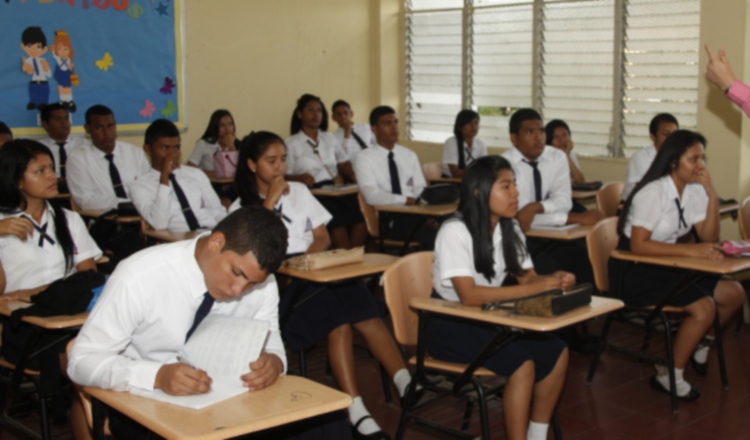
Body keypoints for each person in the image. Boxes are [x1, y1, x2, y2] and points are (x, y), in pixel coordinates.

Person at [68, 207, 348, 439]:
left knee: (327, 422)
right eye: (236, 272)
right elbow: (81, 361)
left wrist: (274, 362)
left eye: (251, 283)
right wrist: (156, 375)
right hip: (144, 400)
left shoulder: (263, 284)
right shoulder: (141, 276)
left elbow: (271, 338)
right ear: (216, 242)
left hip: (226, 399)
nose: (238, 289)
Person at [230, 131, 415, 440]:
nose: (279, 168)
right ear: (251, 164)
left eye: (284, 159)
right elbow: (253, 251)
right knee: (338, 322)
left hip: (313, 268)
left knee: (363, 307)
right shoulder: (240, 208)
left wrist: (307, 264)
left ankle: (405, 384)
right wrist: (271, 201)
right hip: (279, 286)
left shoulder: (300, 190)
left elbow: (323, 237)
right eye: (270, 161)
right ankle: (356, 410)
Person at [429, 155, 570, 440]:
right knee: (521, 364)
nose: (516, 193)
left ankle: (536, 434)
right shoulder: (454, 230)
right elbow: (468, 296)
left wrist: (554, 279)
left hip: (488, 317)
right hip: (449, 322)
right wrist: (534, 288)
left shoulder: (511, 226)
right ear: (479, 193)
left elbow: (528, 278)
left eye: (514, 185)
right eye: (505, 186)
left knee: (557, 352)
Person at [612, 130, 745, 400]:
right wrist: (691, 250)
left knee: (734, 295)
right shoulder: (653, 192)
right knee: (704, 308)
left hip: (668, 261)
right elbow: (638, 244)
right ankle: (669, 373)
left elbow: (708, 236)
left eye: (702, 159)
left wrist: (711, 193)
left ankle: (700, 344)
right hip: (636, 268)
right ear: (674, 161)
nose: (700, 166)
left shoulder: (693, 190)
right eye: (693, 159)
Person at [0, 140, 103, 438]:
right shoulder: (2, 224)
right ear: (17, 181)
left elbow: (89, 276)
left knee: (97, 360)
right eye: (40, 171)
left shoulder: (68, 219)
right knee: (84, 368)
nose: (51, 176)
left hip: (71, 318)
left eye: (51, 169)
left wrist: (35, 292)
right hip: (25, 328)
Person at [502, 109, 600, 282]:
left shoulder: (556, 156)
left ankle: (594, 305)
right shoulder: (504, 165)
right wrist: (573, 218)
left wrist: (536, 207)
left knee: (581, 256)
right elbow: (521, 217)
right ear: (514, 138)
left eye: (541, 131)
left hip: (550, 235)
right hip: (516, 239)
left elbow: (563, 201)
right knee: (548, 267)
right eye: (530, 132)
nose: (538, 137)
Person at [285, 94, 367, 250]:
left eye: (319, 110)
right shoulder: (291, 144)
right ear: (300, 114)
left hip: (336, 189)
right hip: (312, 194)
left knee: (361, 215)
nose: (316, 114)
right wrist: (299, 178)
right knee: (336, 221)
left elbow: (344, 164)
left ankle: (353, 259)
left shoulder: (329, 138)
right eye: (311, 110)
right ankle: (346, 262)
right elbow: (284, 176)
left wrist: (355, 176)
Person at [354, 106, 437, 250]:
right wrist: (406, 201)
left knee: (453, 225)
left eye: (396, 122)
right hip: (389, 219)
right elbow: (372, 195)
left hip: (417, 213)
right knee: (434, 235)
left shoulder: (409, 155)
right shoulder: (364, 158)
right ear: (374, 129)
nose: (394, 127)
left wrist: (423, 205)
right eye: (387, 123)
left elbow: (420, 188)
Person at [128, 119, 226, 232]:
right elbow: (159, 224)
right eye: (164, 148)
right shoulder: (139, 186)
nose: (172, 154)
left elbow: (218, 211)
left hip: (209, 234)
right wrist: (164, 177)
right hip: (178, 241)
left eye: (176, 148)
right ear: (148, 149)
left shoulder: (195, 174)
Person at [66, 105, 149, 211]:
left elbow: (148, 187)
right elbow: (86, 200)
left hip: (141, 214)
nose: (106, 133)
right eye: (99, 128)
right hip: (104, 219)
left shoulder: (135, 153)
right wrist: (126, 205)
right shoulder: (78, 158)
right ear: (87, 129)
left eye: (110, 126)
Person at [621, 113, 679, 201]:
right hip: (634, 207)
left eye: (674, 135)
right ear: (652, 137)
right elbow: (649, 190)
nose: (671, 139)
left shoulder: (678, 157)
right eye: (666, 134)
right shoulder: (640, 158)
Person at [39, 103, 84, 182]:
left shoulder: (83, 144)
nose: (64, 123)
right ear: (45, 125)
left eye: (66, 118)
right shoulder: (38, 148)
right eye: (57, 119)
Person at [442, 109, 487, 178]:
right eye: (469, 123)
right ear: (460, 127)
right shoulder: (451, 143)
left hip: (472, 182)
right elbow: (455, 173)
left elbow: (485, 168)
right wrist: (477, 175)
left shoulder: (480, 144)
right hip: (451, 182)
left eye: (476, 123)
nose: (473, 126)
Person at [331, 99, 375, 164]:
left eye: (346, 113)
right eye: (339, 114)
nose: (343, 116)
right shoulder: (332, 137)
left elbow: (378, 144)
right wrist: (347, 133)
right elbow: (344, 159)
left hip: (372, 164)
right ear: (333, 117)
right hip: (353, 170)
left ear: (351, 114)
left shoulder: (365, 127)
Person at [544, 119, 584, 185]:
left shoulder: (570, 154)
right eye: (556, 137)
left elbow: (580, 181)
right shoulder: (545, 157)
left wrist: (567, 155)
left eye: (564, 135)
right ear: (549, 140)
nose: (561, 140)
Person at [20, 26, 51, 111]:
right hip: (33, 81)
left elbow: (49, 74)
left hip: (43, 82)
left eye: (38, 47)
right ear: (23, 46)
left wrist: (46, 67)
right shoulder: (28, 60)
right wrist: (26, 66)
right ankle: (33, 102)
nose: (34, 50)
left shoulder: (43, 60)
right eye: (29, 46)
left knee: (44, 93)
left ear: (44, 49)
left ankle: (43, 103)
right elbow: (29, 72)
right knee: (33, 92)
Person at [50, 30, 78, 112]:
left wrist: (71, 67)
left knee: (68, 87)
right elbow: (55, 55)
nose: (62, 51)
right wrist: (52, 50)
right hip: (60, 73)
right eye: (59, 49)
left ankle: (69, 100)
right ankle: (62, 100)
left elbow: (71, 67)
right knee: (61, 87)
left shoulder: (69, 59)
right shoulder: (58, 58)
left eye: (65, 49)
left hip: (67, 74)